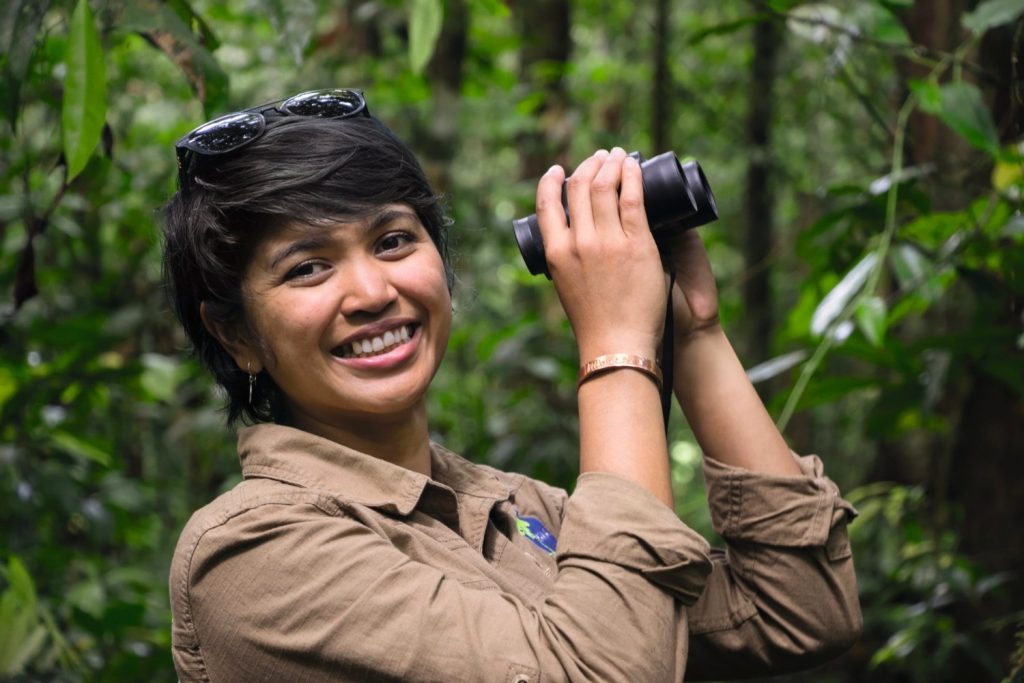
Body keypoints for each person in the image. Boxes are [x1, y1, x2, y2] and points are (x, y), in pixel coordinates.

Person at [164, 88, 861, 682]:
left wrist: (692, 330)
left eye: (394, 240)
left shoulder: (512, 508)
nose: (374, 291)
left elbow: (800, 608)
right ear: (237, 335)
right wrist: (616, 347)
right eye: (307, 268)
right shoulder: (252, 552)